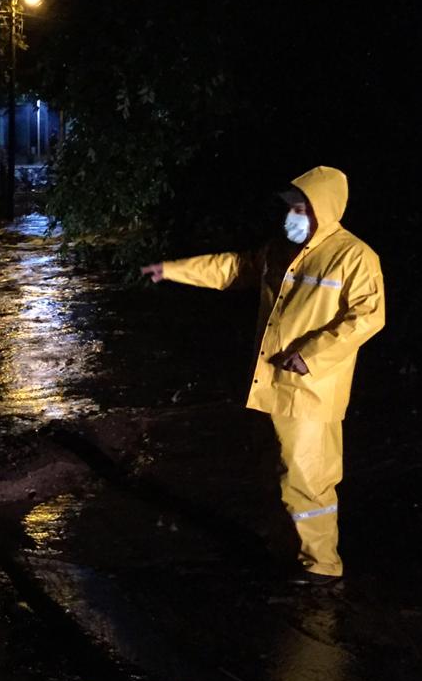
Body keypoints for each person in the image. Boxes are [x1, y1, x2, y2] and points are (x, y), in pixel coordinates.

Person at [141, 166, 385, 587]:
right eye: (289, 207)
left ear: (322, 210)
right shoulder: (281, 250)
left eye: (299, 208)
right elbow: (232, 268)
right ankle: (290, 548)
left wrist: (312, 355)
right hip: (273, 384)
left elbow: (368, 316)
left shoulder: (354, 256)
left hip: (311, 389)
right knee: (281, 471)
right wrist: (175, 270)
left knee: (310, 479)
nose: (290, 215)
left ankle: (322, 565)